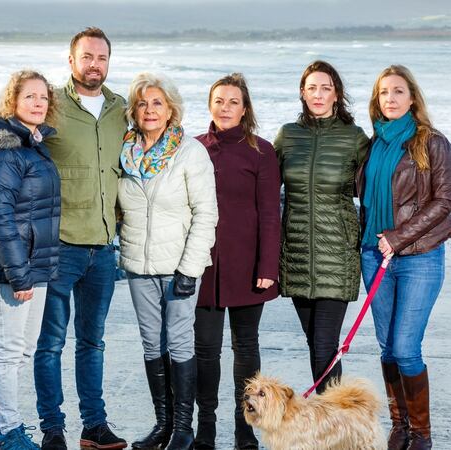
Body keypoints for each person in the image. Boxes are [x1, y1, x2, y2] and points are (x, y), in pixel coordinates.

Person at [0, 27, 128, 450]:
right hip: (56, 247)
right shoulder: (53, 105)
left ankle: (94, 426)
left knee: (93, 342)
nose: (94, 64)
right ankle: (51, 429)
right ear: (71, 60)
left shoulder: (121, 109)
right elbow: (2, 150)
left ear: (108, 62)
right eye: (86, 57)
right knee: (48, 345)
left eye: (101, 57)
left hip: (103, 245)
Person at [358, 65, 451, 450]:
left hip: (418, 256)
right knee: (387, 347)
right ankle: (400, 426)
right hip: (373, 254)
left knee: (405, 347)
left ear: (412, 97)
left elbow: (444, 201)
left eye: (398, 92)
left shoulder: (432, 142)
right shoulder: (374, 143)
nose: (391, 99)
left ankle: (422, 434)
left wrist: (398, 238)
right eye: (384, 93)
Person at [117, 72, 218, 450]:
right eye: (142, 103)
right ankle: (162, 425)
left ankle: (183, 429)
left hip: (179, 266)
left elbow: (206, 213)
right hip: (137, 266)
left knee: (179, 343)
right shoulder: (125, 150)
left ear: (171, 109)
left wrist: (191, 269)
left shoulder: (190, 151)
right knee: (150, 344)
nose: (149, 110)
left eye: (157, 102)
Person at [0, 70, 61, 450]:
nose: (38, 103)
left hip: (32, 267)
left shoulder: (32, 145)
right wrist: (19, 277)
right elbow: (0, 218)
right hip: (8, 270)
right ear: (13, 102)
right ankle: (8, 432)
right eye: (30, 97)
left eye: (43, 98)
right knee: (8, 353)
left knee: (23, 350)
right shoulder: (5, 151)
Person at [192, 73, 281, 450]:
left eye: (233, 102)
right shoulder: (193, 148)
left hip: (248, 266)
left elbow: (270, 214)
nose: (225, 108)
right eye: (219, 100)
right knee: (205, 351)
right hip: (202, 266)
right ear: (209, 104)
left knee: (246, 349)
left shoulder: (261, 150)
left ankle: (246, 429)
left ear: (245, 109)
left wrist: (267, 268)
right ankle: (205, 427)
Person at [273, 60, 369, 394]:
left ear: (337, 94)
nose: (318, 94)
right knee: (315, 344)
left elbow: (378, 186)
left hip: (336, 255)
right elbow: (262, 183)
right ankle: (333, 424)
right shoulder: (288, 136)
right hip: (297, 255)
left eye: (325, 88)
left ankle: (337, 423)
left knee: (325, 344)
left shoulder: (354, 138)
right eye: (312, 87)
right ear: (302, 92)